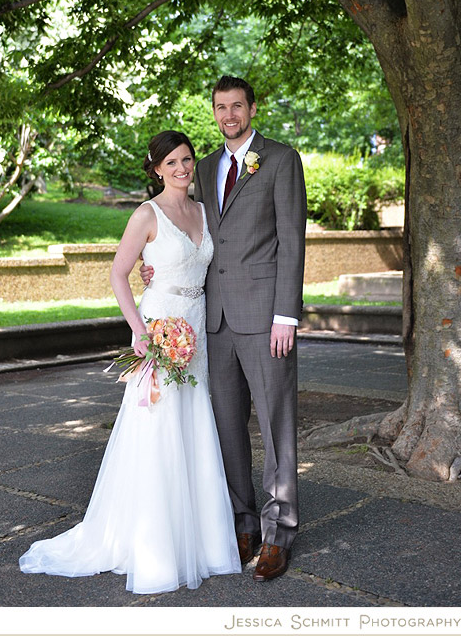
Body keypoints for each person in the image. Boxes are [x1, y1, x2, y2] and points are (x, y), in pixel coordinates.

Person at [19, 130, 241, 594]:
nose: (181, 169)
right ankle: (155, 547)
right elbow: (119, 273)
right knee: (156, 427)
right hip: (161, 327)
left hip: (197, 327)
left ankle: (202, 541)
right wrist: (140, 330)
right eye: (172, 163)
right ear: (156, 168)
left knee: (196, 425)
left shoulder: (204, 211)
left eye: (187, 160)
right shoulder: (147, 214)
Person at [141, 76, 307, 582]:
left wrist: (286, 315)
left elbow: (292, 240)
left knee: (277, 426)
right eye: (221, 107)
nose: (229, 115)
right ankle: (242, 523)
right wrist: (156, 269)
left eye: (237, 106)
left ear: (252, 108)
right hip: (213, 323)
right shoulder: (205, 167)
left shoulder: (281, 160)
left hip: (265, 319)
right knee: (227, 426)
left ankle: (279, 533)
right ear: (213, 112)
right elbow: (187, 233)